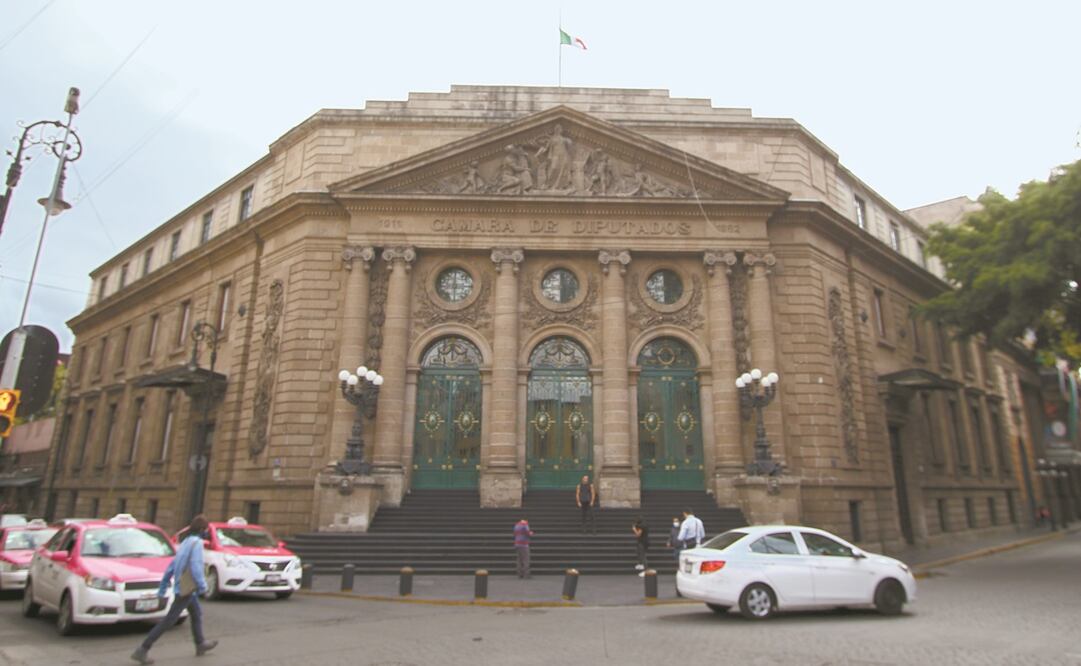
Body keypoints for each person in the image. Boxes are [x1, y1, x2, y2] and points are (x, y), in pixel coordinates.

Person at [131, 515, 217, 664]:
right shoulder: (197, 543)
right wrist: (203, 586)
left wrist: (163, 586)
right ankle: (143, 649)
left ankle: (200, 643)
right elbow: (196, 566)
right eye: (206, 530)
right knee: (169, 621)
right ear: (202, 530)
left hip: (184, 587)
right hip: (186, 588)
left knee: (196, 613)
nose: (207, 533)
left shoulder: (185, 542)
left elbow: (172, 565)